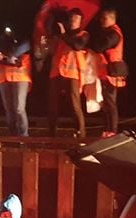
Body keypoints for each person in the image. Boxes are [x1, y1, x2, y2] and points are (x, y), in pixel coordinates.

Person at [47, 9, 89, 138]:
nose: (73, 21)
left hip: (72, 74)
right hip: (56, 72)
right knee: (53, 105)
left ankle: (81, 134)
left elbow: (77, 45)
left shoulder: (83, 34)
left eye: (76, 19)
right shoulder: (60, 35)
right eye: (71, 18)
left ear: (81, 21)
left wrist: (64, 34)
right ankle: (51, 134)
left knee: (75, 105)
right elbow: (51, 50)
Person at [89, 8, 127, 137]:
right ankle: (107, 129)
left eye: (104, 18)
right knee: (106, 103)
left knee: (110, 102)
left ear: (112, 19)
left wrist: (92, 45)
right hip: (106, 71)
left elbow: (101, 46)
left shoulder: (114, 34)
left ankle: (112, 130)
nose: (101, 21)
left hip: (112, 72)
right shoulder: (108, 32)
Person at [0, 29, 33, 136]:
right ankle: (13, 135)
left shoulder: (24, 45)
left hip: (20, 78)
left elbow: (17, 62)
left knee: (19, 108)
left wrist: (4, 59)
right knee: (9, 109)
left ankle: (24, 136)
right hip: (4, 78)